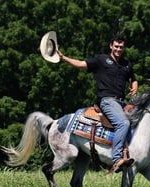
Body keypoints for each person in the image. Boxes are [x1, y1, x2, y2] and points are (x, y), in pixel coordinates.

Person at [57, 34, 138, 172]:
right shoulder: (101, 60)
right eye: (116, 46)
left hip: (120, 102)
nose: (119, 49)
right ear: (111, 46)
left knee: (139, 119)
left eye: (121, 47)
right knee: (123, 123)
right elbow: (81, 64)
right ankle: (117, 158)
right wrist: (64, 58)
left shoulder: (127, 64)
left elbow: (133, 78)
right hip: (106, 101)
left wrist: (135, 86)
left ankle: (133, 153)